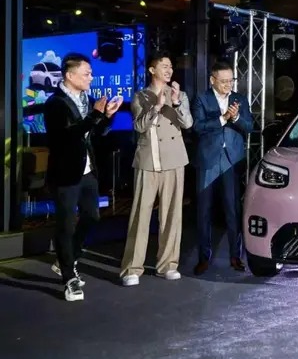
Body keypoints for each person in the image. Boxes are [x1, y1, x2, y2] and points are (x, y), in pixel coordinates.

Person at [44, 53, 121, 302]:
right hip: (65, 173)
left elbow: (94, 133)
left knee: (92, 216)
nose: (91, 77)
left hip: (88, 171)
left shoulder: (87, 100)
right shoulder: (55, 103)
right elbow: (65, 137)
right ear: (70, 75)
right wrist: (95, 116)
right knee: (66, 224)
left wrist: (107, 116)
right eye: (86, 73)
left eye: (90, 73)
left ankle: (67, 258)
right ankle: (69, 278)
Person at [119, 53, 193, 287]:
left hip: (174, 160)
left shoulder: (180, 94)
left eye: (171, 66)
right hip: (148, 160)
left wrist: (176, 103)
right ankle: (132, 268)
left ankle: (168, 265)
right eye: (164, 66)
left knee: (172, 215)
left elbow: (188, 123)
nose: (169, 70)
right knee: (140, 215)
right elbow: (139, 126)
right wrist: (157, 107)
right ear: (152, 70)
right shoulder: (140, 96)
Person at [191, 61, 254, 275]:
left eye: (231, 80)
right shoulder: (201, 98)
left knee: (233, 210)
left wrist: (235, 117)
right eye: (224, 81)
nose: (228, 85)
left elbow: (250, 126)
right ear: (212, 80)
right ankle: (203, 258)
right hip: (208, 160)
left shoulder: (239, 99)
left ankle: (236, 257)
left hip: (231, 160)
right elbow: (197, 127)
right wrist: (222, 118)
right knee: (204, 211)